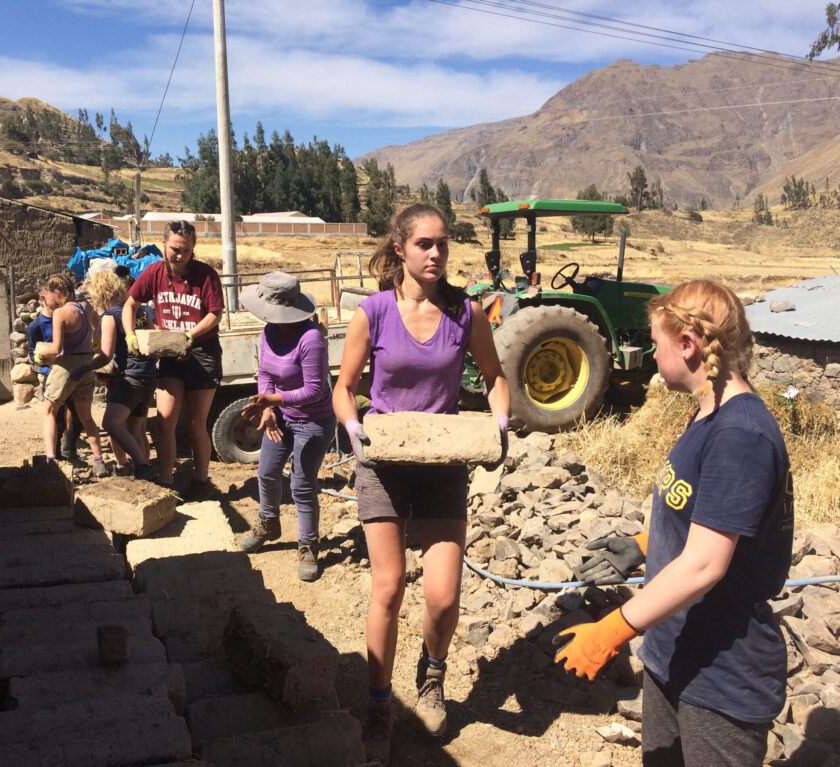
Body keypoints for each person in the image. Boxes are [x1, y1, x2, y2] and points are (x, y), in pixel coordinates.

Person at [558, 280, 794, 767]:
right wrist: (643, 545)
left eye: (655, 342)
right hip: (673, 649)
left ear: (687, 345)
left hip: (721, 673)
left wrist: (610, 632)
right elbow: (707, 521)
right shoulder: (706, 418)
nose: (649, 351)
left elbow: (706, 564)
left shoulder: (740, 436)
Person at [332, 203, 511, 763]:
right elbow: (344, 386)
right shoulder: (374, 313)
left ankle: (431, 675)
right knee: (388, 587)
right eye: (425, 245)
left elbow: (495, 376)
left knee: (443, 596)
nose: (436, 254)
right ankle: (380, 704)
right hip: (384, 461)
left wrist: (499, 424)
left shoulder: (467, 313)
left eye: (443, 245)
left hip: (442, 466)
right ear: (401, 250)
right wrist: (354, 426)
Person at [237, 271, 335, 582]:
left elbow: (314, 390)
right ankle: (269, 523)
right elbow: (264, 371)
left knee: (301, 485)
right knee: (265, 472)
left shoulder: (311, 339)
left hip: (313, 421)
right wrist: (267, 409)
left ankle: (308, 544)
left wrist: (272, 401)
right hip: (282, 415)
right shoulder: (269, 331)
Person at [122, 221, 224, 494]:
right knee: (165, 420)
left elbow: (215, 314)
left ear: (193, 249)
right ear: (164, 244)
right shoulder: (153, 272)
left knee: (195, 424)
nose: (180, 255)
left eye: (186, 250)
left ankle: (201, 481)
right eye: (175, 249)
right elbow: (131, 304)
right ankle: (166, 481)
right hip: (169, 351)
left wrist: (190, 335)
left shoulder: (206, 275)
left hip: (201, 353)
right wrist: (130, 334)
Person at [85, 269, 161, 480]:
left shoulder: (110, 316)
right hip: (148, 374)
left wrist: (83, 368)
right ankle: (146, 472)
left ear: (99, 295)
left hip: (129, 377)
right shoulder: (142, 311)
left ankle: (141, 466)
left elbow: (105, 356)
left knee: (111, 423)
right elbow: (154, 340)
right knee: (136, 429)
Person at [33, 273, 107, 477]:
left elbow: (56, 348)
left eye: (50, 295)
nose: (49, 300)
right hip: (86, 365)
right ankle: (99, 461)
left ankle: (51, 460)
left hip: (66, 366)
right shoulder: (85, 307)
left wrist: (40, 354)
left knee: (49, 411)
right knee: (87, 418)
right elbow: (97, 333)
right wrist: (92, 342)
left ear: (57, 292)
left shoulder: (61, 313)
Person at [26, 280, 82, 461]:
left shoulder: (68, 315)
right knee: (56, 419)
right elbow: (32, 352)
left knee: (79, 417)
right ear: (43, 298)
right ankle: (57, 456)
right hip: (52, 376)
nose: (58, 298)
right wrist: (40, 359)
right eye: (53, 296)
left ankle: (69, 448)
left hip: (73, 373)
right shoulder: (36, 326)